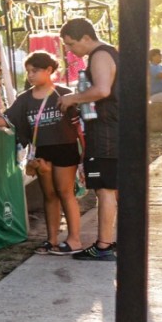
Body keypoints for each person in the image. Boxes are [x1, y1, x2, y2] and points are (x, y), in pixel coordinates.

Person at [0, 51, 83, 255]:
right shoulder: (25, 99)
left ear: (49, 70)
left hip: (65, 148)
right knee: (49, 195)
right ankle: (51, 240)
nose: (30, 75)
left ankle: (74, 239)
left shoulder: (64, 94)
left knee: (65, 192)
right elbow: (9, 118)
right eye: (28, 71)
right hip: (41, 150)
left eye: (35, 71)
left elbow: (79, 123)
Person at [56, 18, 118, 261]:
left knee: (105, 189)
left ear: (86, 37)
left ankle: (103, 246)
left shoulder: (100, 55)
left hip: (106, 133)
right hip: (114, 131)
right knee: (113, 188)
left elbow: (102, 90)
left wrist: (72, 98)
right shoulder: (111, 53)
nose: (70, 50)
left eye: (71, 44)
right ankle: (116, 242)